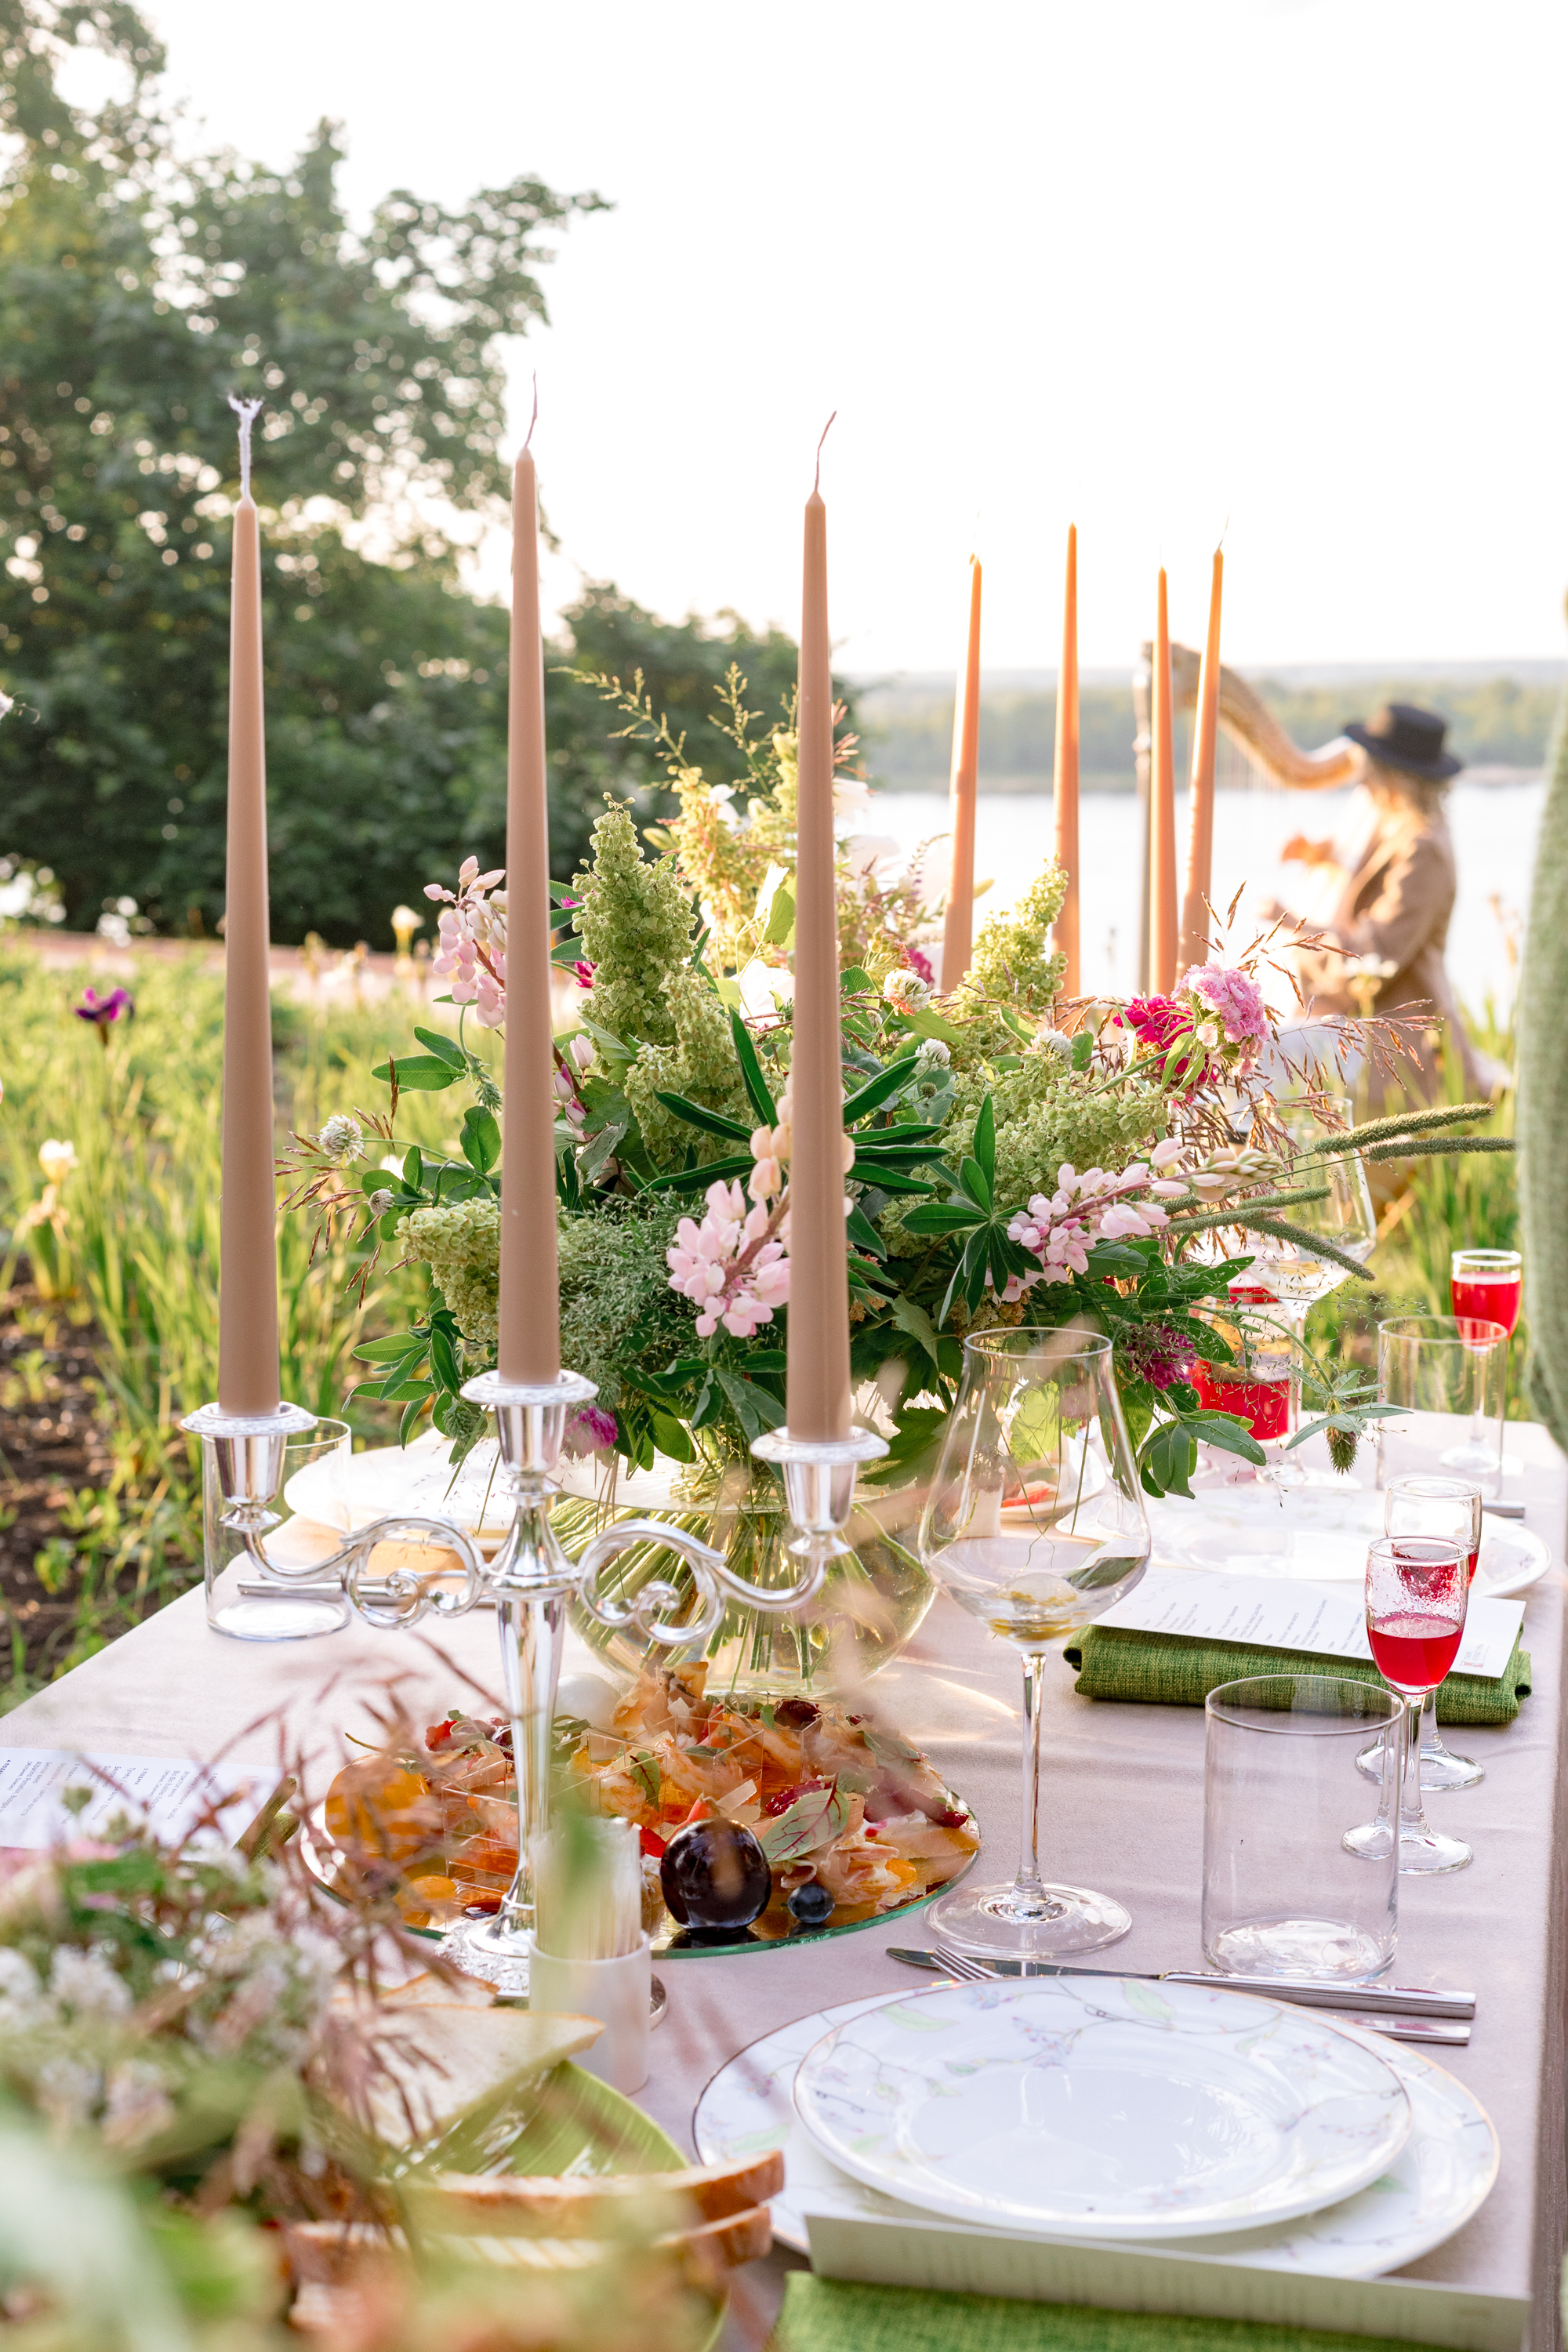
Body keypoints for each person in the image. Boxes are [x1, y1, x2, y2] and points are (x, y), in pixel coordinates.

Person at [1255, 702, 1509, 1106]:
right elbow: (1369, 876)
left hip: (1399, 1044)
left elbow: (1375, 957)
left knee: (1257, 1065)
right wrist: (1320, 855)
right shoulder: (1396, 828)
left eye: (1369, 771)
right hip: (1370, 1029)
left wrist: (1290, 923)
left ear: (1393, 779)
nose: (1362, 781)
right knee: (1262, 1062)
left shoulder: (1423, 850)